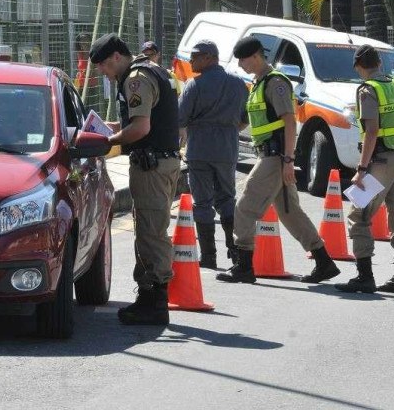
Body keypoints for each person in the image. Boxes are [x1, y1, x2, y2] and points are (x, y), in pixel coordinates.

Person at [217, 36, 340, 284]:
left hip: (275, 157)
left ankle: (244, 266)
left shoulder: (275, 83)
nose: (240, 64)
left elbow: (290, 121)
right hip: (271, 155)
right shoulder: (259, 84)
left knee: (244, 207)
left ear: (256, 56)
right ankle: (324, 261)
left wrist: (287, 160)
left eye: (243, 59)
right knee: (289, 212)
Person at [90, 33, 181, 325]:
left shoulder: (136, 79)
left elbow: (141, 128)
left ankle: (154, 302)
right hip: (162, 163)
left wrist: (108, 142)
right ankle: (149, 298)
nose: (103, 72)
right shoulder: (153, 71)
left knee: (151, 233)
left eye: (104, 65)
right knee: (150, 228)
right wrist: (110, 127)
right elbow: (140, 121)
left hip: (152, 166)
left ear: (117, 56)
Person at [335, 44, 394, 294]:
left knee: (358, 215)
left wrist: (361, 169)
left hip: (379, 162)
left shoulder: (368, 89)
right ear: (380, 63)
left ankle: (365, 277)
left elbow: (371, 131)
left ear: (358, 66)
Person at [178, 39, 248, 269]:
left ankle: (209, 256)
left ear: (209, 57)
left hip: (199, 149)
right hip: (227, 148)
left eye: (196, 56)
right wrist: (227, 129)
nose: (191, 61)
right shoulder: (239, 84)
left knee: (203, 202)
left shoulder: (194, 85)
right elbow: (246, 119)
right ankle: (235, 251)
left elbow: (180, 118)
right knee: (227, 199)